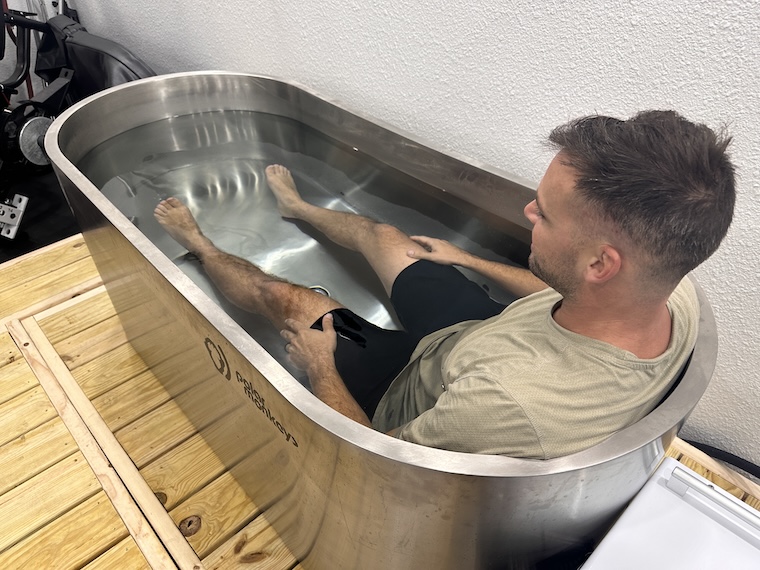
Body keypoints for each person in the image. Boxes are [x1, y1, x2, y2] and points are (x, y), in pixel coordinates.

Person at [154, 110, 735, 459]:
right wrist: (470, 261)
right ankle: (300, 207)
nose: (528, 212)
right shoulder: (670, 290)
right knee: (387, 237)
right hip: (478, 340)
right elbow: (564, 298)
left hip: (414, 388)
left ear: (600, 264)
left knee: (297, 304)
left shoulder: (505, 407)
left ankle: (201, 247)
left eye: (547, 215)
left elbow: (380, 459)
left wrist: (320, 365)